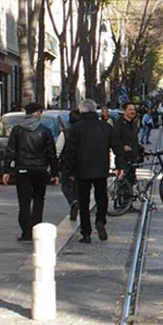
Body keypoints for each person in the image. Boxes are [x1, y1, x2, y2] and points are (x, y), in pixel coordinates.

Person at [3, 103, 59, 242]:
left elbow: (10, 151)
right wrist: (55, 173)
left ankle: (26, 233)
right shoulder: (45, 131)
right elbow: (51, 153)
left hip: (22, 168)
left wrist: (6, 170)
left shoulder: (17, 130)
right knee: (39, 199)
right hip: (40, 169)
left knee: (24, 202)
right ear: (38, 113)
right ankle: (36, 228)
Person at [62, 99, 113, 244]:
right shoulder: (105, 127)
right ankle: (101, 220)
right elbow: (116, 145)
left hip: (82, 170)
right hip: (101, 169)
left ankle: (86, 233)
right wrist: (120, 164)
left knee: (83, 202)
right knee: (101, 197)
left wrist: (69, 171)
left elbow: (70, 152)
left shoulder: (75, 128)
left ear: (81, 111)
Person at [56, 109, 81, 221]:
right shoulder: (85, 133)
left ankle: (73, 202)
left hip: (67, 164)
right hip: (82, 164)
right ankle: (75, 206)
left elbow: (57, 151)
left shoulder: (65, 133)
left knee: (66, 186)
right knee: (78, 187)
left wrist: (54, 166)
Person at [112, 102, 142, 185]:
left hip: (132, 156)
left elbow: (134, 140)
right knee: (123, 183)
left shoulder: (134, 124)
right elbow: (114, 139)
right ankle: (120, 195)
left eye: (134, 110)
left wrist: (140, 149)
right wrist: (123, 147)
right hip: (123, 158)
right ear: (124, 111)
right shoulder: (119, 124)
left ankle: (129, 196)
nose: (133, 111)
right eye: (130, 110)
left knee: (131, 181)